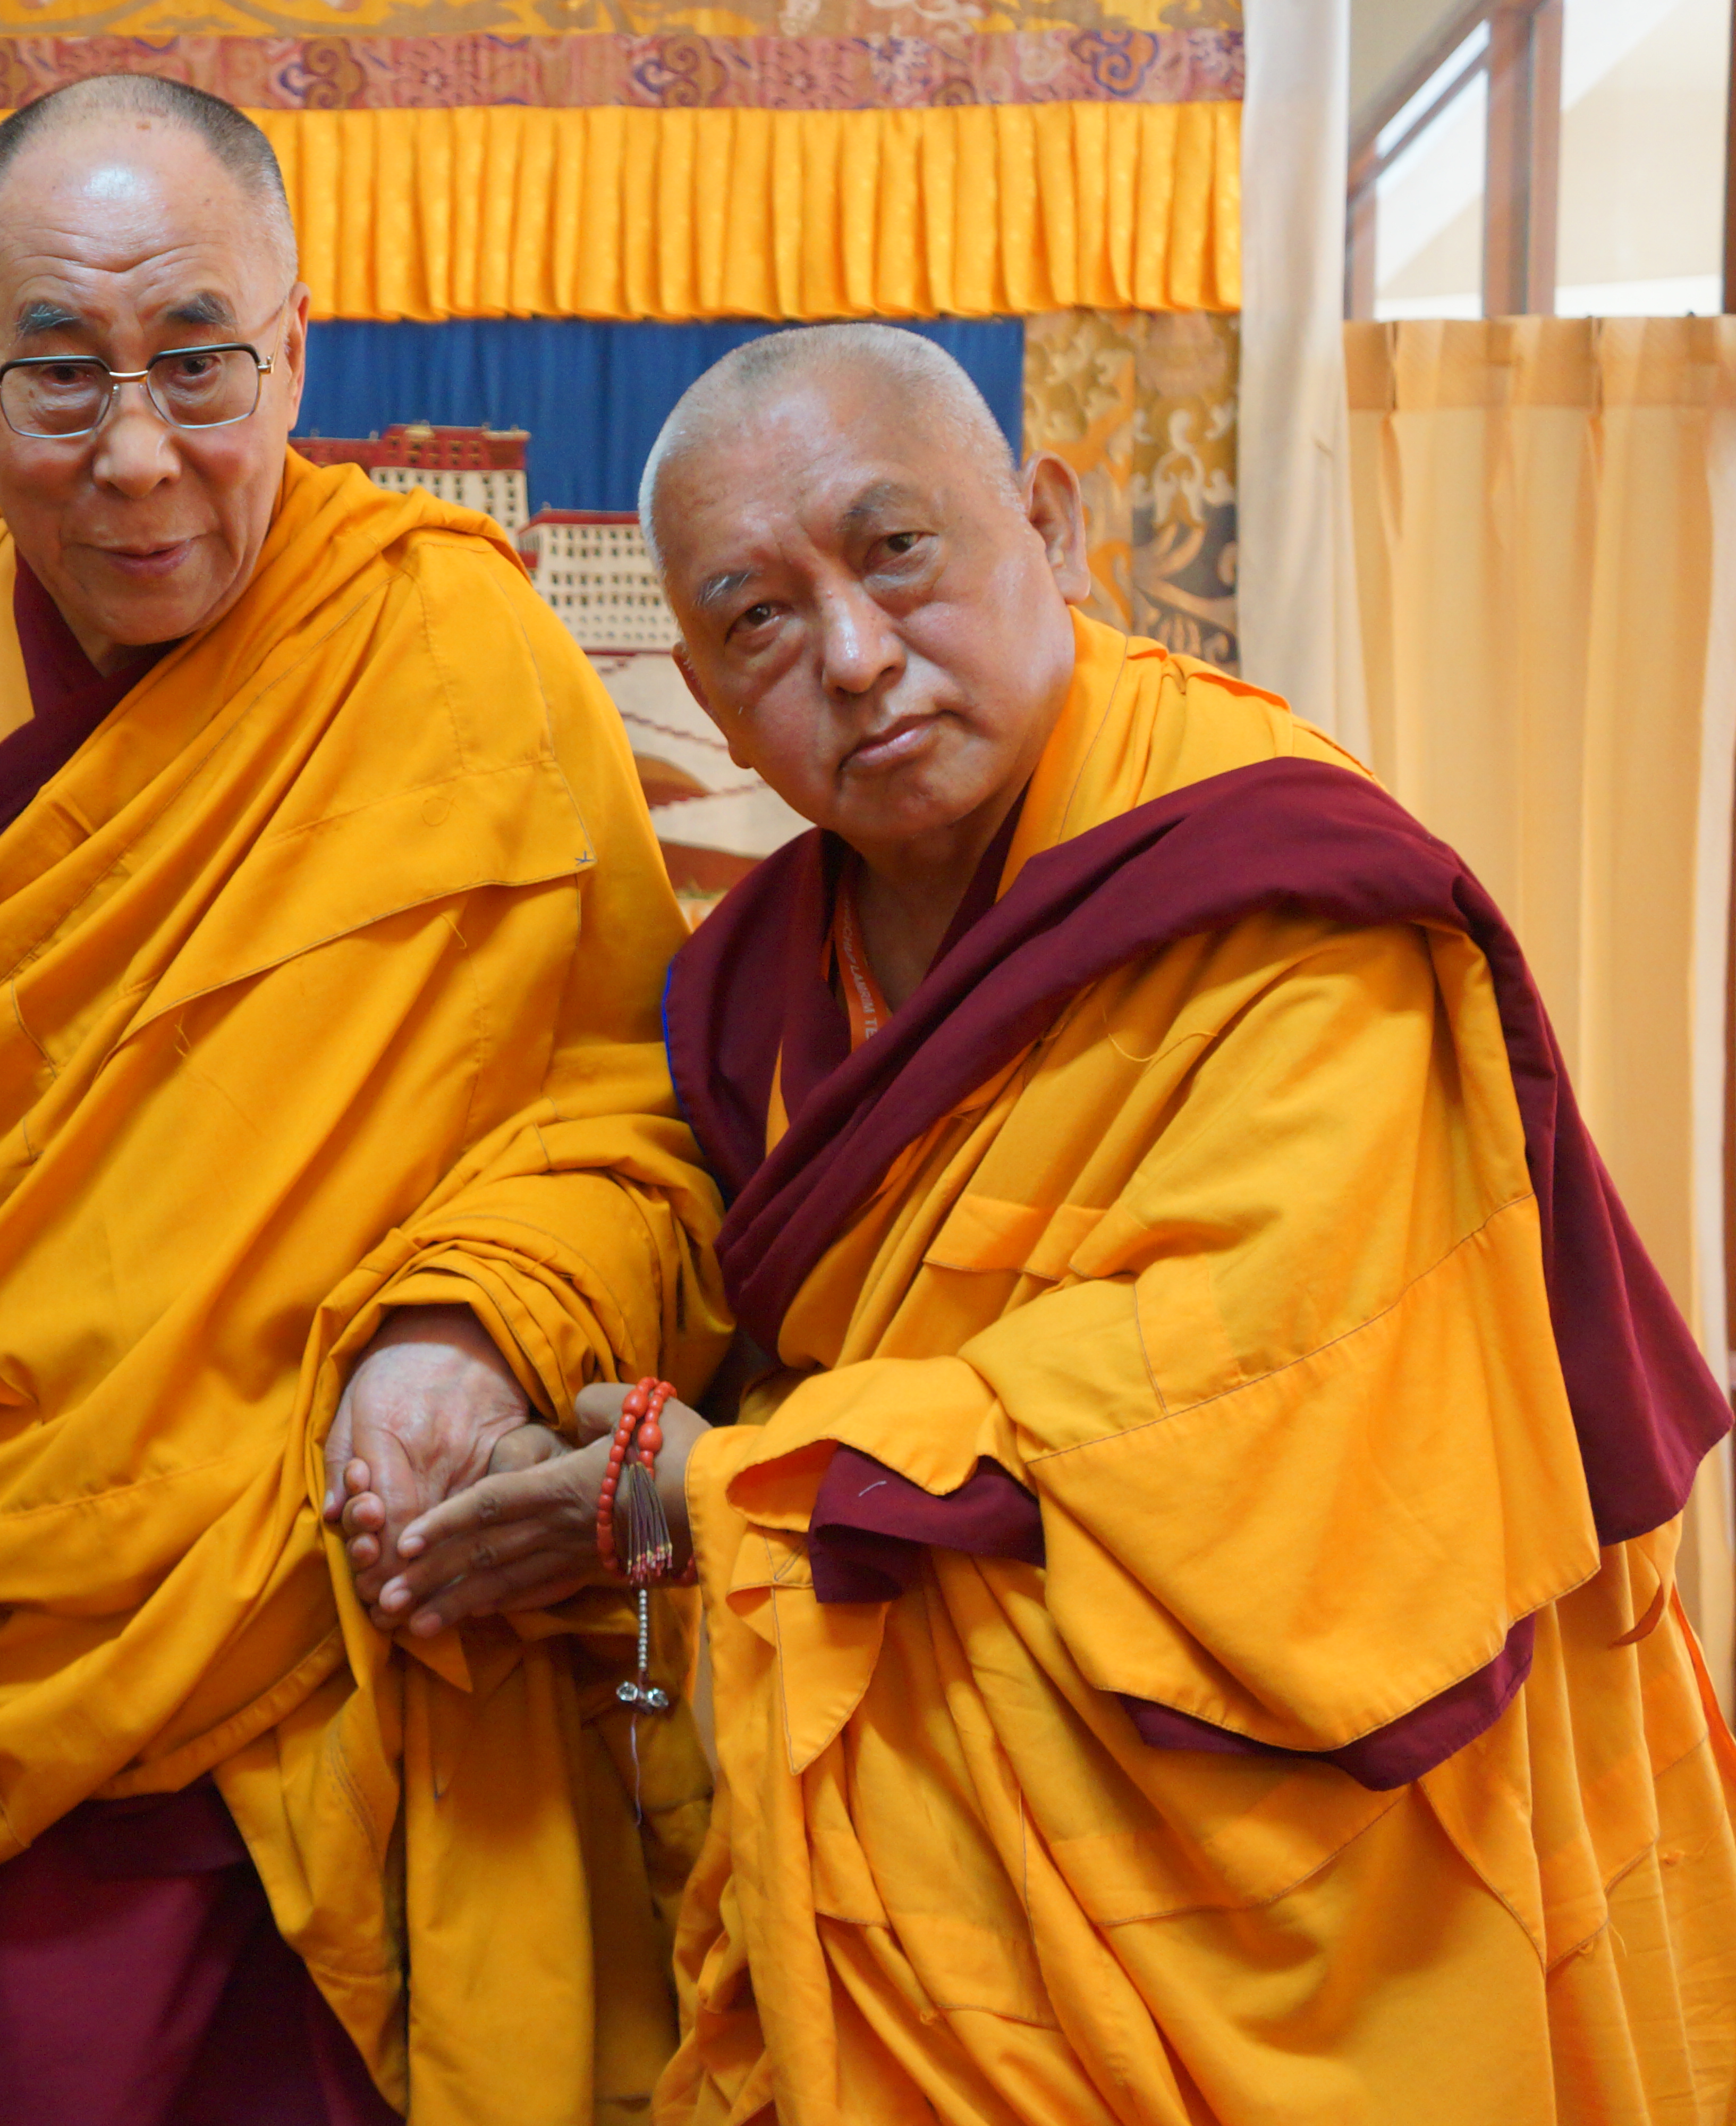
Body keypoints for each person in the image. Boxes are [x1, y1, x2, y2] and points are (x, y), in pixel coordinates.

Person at [383, 323, 1736, 2121]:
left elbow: (1257, 1399)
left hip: (1316, 1836)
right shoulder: (758, 982)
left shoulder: (1281, 896)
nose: (856, 658)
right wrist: (457, 1337)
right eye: (761, 620)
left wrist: (719, 1491)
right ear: (707, 696)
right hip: (947, 1823)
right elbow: (662, 1217)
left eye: (897, 552)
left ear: (1047, 519)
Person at [0, 73, 728, 2126]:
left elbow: (630, 1102)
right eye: (63, 376)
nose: (137, 459)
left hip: (334, 1638)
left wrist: (465, 1318)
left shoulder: (457, 647)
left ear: (298, 349)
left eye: (198, 365)